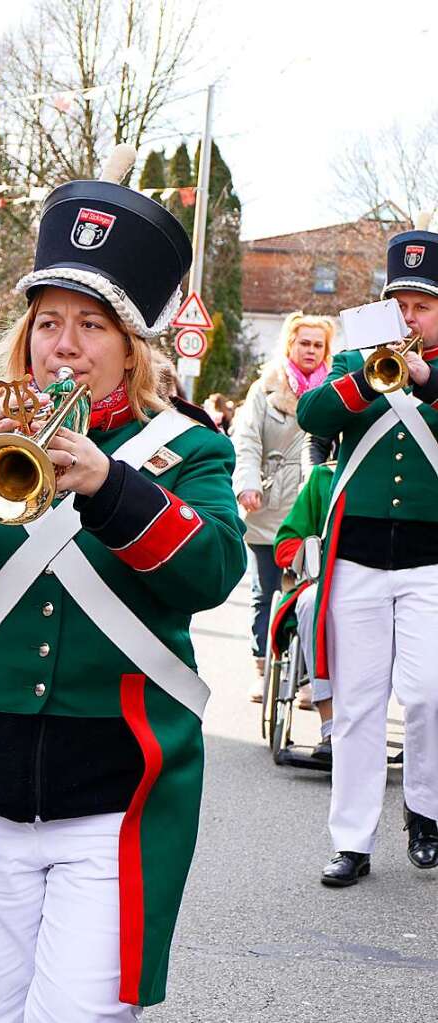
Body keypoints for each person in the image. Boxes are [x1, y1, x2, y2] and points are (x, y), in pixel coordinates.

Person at [0, 152, 247, 1021]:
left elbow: (213, 570)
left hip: (110, 803)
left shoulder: (186, 450)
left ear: (129, 346)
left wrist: (110, 484)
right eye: (47, 322)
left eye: (90, 325)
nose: (63, 344)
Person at [297, 227, 438, 887]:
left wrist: (425, 380)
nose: (408, 316)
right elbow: (311, 414)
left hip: (427, 558)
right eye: (400, 303)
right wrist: (369, 378)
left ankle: (424, 809)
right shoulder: (357, 359)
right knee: (356, 702)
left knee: (429, 692)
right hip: (355, 555)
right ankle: (350, 840)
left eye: (423, 306)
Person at [232, 311, 334, 700]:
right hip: (268, 500)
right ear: (290, 344)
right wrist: (247, 484)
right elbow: (248, 441)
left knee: (312, 591)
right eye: (303, 342)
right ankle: (264, 667)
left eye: (317, 344)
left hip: (314, 505)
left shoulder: (337, 391)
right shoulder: (266, 388)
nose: (310, 350)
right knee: (266, 591)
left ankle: (307, 676)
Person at [271, 461, 335, 759]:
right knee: (310, 602)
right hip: (326, 581)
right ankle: (331, 727)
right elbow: (287, 539)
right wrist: (309, 556)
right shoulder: (325, 476)